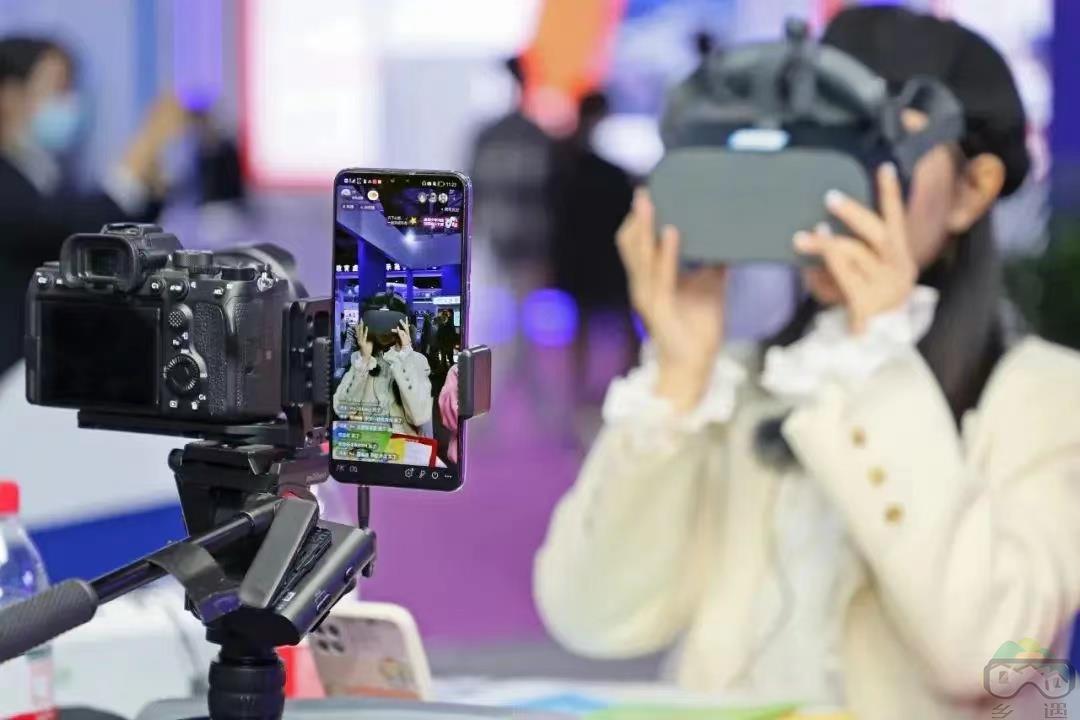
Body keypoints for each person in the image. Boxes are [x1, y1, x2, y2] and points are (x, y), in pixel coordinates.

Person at [534, 8, 1080, 719]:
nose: (829, 190)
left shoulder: (1046, 396)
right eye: (809, 142)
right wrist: (678, 378)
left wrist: (878, 366)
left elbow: (989, 656)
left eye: (871, 148)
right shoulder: (748, 383)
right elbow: (593, 617)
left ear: (972, 188)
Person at [0, 35, 186, 377]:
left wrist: (149, 187)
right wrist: (142, 148)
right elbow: (69, 228)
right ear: (10, 96)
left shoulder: (46, 171)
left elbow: (103, 224)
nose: (69, 101)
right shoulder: (9, 182)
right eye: (57, 88)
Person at [551, 91, 636, 402]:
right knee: (614, 322)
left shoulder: (566, 161)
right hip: (600, 256)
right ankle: (623, 383)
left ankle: (587, 388)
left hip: (586, 255)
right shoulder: (596, 168)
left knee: (588, 325)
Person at [333, 293, 433, 437]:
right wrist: (364, 360)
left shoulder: (416, 360)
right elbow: (342, 410)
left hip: (403, 446)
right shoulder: (360, 360)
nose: (384, 329)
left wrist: (404, 356)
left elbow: (419, 417)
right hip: (367, 444)